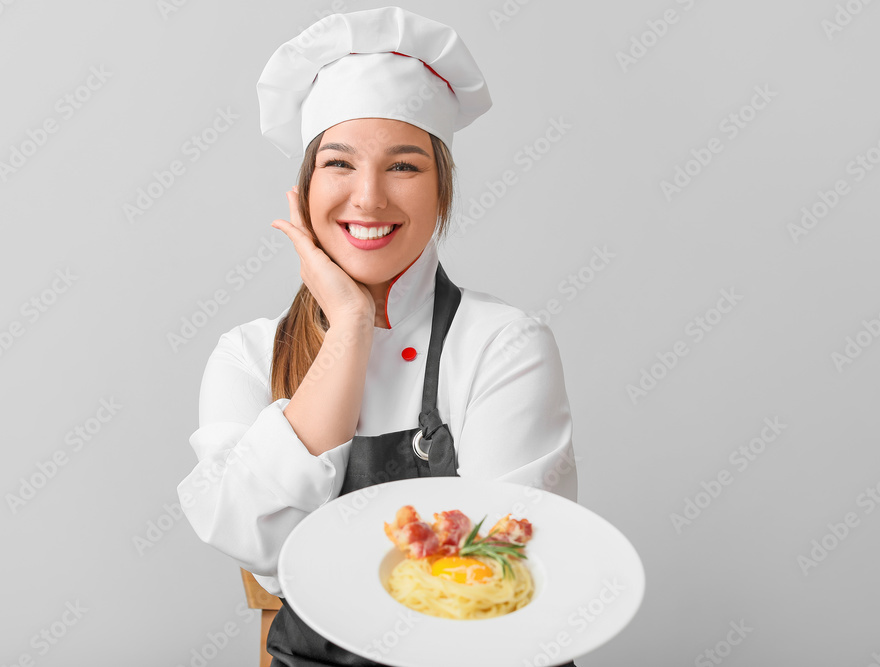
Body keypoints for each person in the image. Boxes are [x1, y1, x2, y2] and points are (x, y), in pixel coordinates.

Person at [178, 6, 579, 666]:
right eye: (339, 163)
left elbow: (510, 566)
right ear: (305, 190)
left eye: (403, 167)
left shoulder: (504, 344)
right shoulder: (249, 357)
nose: (367, 198)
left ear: (441, 187)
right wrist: (352, 326)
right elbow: (256, 540)